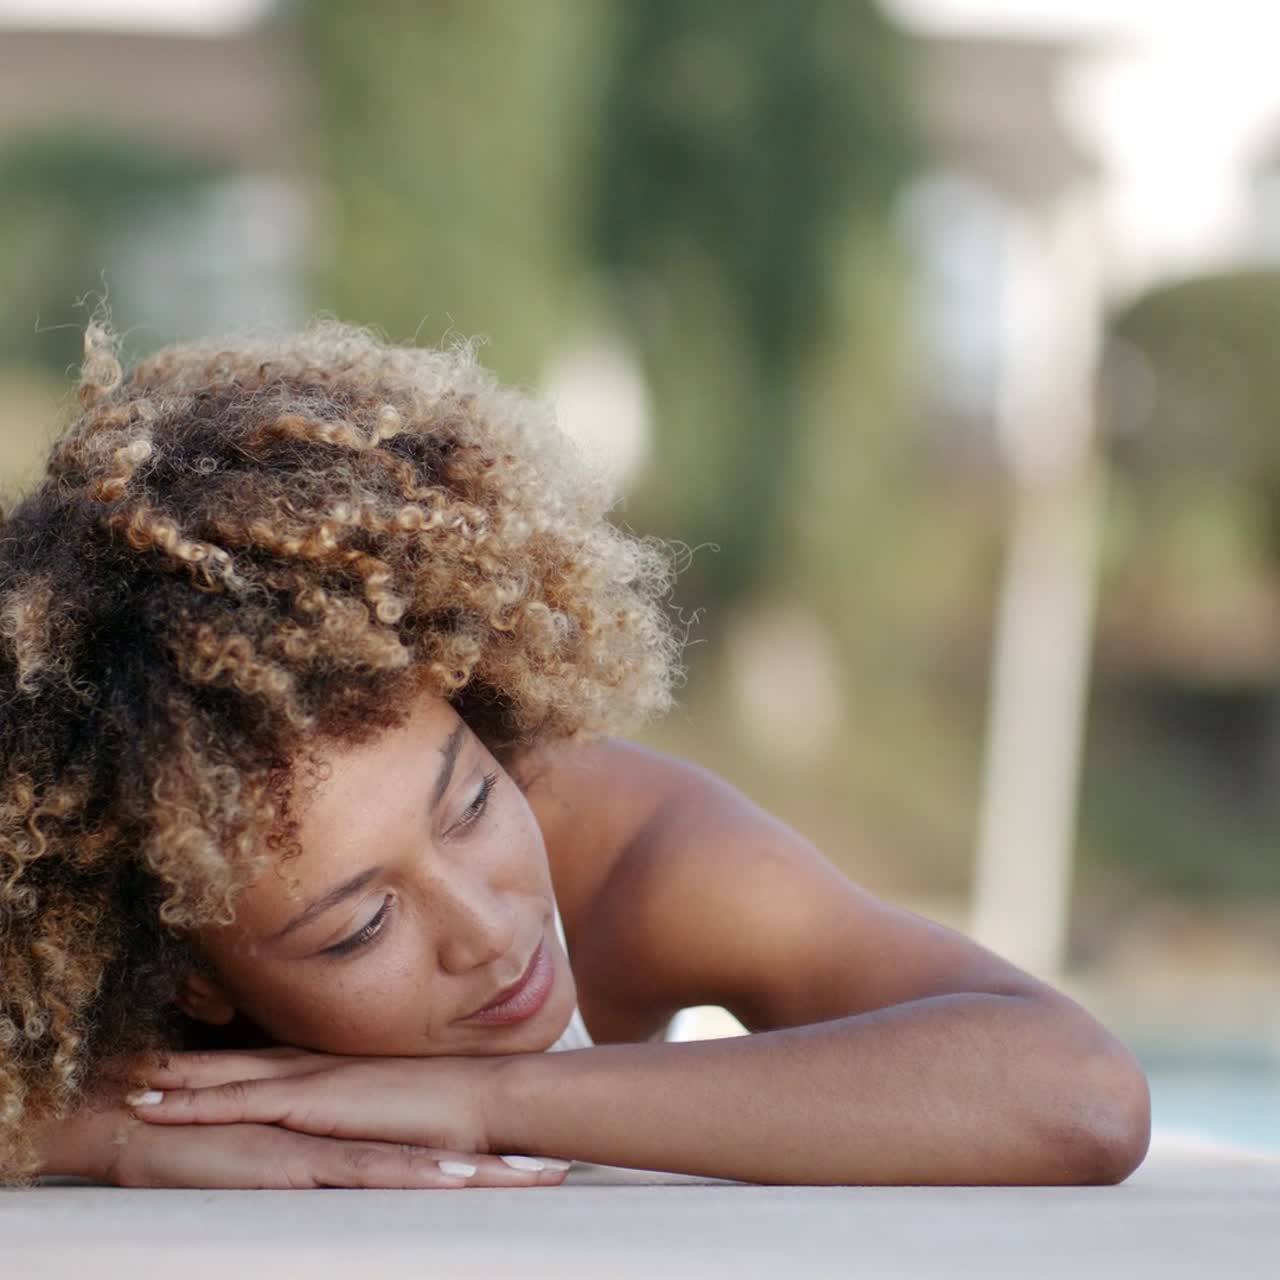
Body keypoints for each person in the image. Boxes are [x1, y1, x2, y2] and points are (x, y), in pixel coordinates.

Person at [4, 320, 1150, 1189]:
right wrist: (109, 1133)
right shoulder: (75, 945)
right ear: (192, 977)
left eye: (468, 804)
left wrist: (494, 1097)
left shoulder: (636, 854)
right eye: (360, 924)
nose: (488, 927)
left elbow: (1077, 1093)